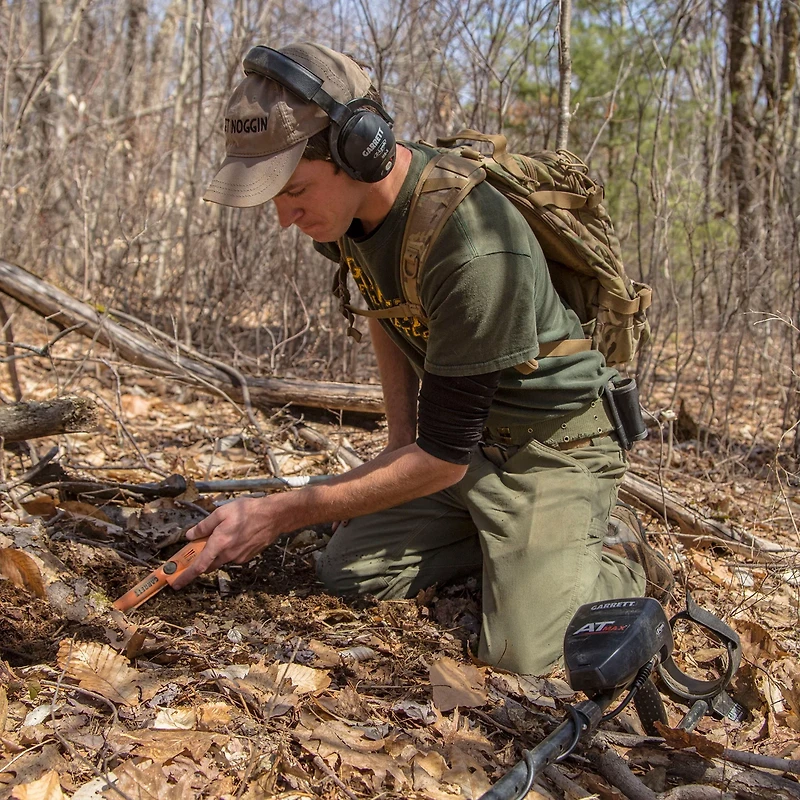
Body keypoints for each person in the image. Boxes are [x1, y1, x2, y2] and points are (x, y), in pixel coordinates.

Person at [172, 41, 672, 675]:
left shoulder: (474, 247)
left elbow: (439, 461)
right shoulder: (347, 217)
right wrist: (400, 440)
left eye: (294, 189)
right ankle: (505, 547)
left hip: (553, 449)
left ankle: (612, 555)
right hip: (465, 447)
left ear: (360, 149)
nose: (282, 217)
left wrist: (284, 509)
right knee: (346, 572)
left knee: (527, 656)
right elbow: (385, 304)